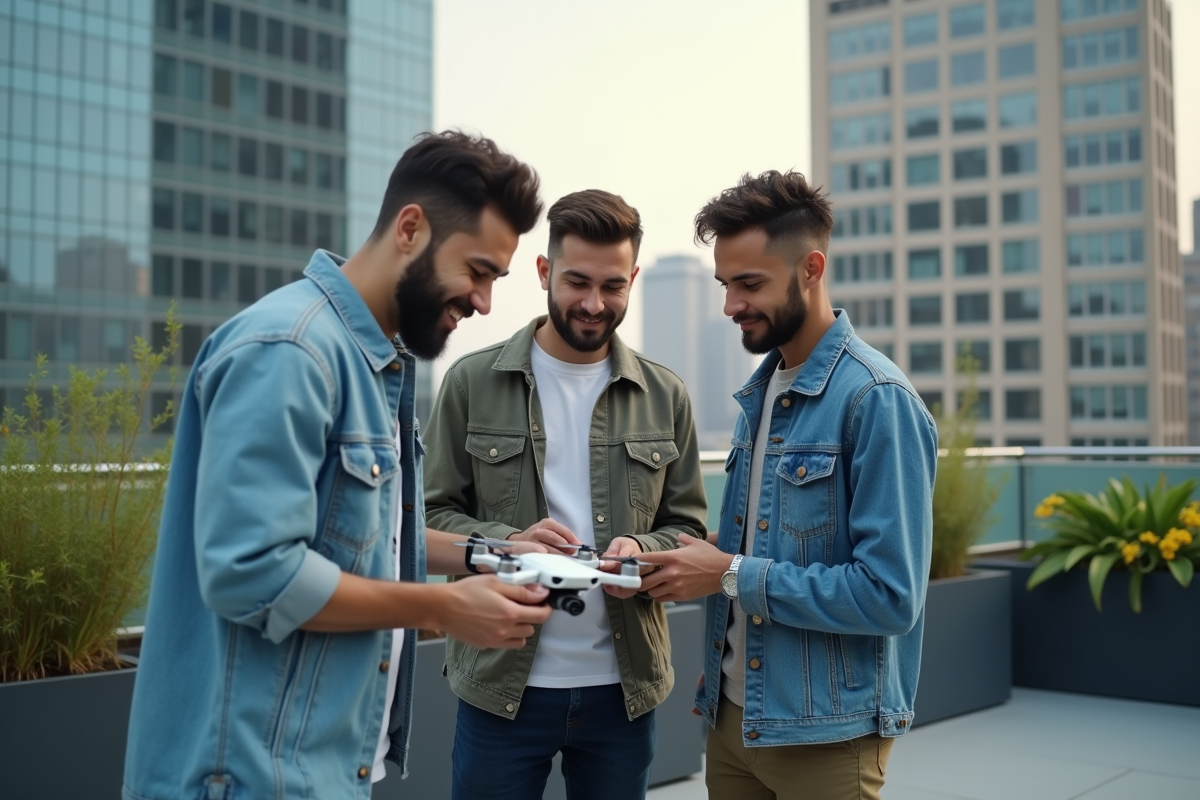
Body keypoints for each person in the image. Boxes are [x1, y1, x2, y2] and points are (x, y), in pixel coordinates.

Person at [123, 131, 556, 800]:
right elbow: (252, 573)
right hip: (247, 778)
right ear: (410, 229)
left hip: (319, 770)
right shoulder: (290, 351)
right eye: (477, 270)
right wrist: (442, 609)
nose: (484, 301)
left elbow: (366, 538)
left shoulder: (370, 362)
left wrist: (493, 555)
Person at [637, 171, 938, 800]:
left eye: (749, 284)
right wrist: (682, 561)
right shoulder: (761, 391)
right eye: (725, 285)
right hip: (732, 718)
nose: (730, 305)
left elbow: (890, 595)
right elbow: (771, 543)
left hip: (827, 737)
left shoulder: (877, 400)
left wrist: (726, 573)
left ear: (811, 269)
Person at [422, 189, 709, 800]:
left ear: (633, 280)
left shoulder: (666, 395)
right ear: (544, 271)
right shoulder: (471, 382)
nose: (593, 303)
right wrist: (509, 543)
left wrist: (641, 549)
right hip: (499, 685)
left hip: (623, 691)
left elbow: (686, 527)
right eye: (577, 281)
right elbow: (430, 517)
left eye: (612, 286)